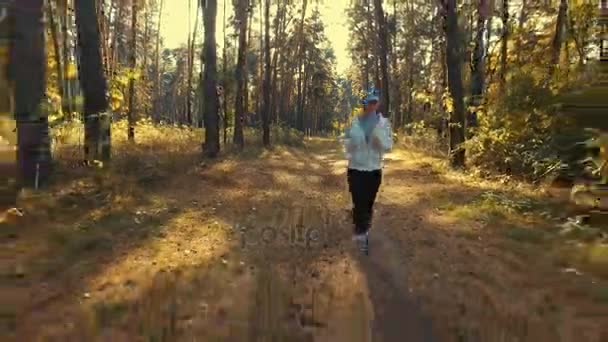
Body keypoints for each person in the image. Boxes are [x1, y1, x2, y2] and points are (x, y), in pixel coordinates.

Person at [343, 88, 393, 255]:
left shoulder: (383, 123)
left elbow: (388, 146)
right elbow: (346, 145)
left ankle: (363, 227)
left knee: (368, 204)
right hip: (356, 169)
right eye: (368, 102)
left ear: (378, 103)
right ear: (364, 103)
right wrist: (354, 142)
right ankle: (361, 235)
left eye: (374, 102)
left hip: (374, 171)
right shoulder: (355, 122)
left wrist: (377, 135)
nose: (371, 105)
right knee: (359, 203)